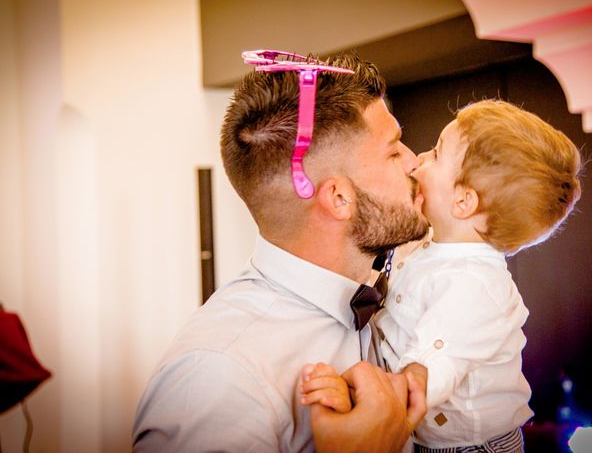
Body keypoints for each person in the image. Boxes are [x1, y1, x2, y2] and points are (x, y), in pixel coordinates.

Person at [131, 51, 430, 452]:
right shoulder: (218, 378)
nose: (416, 162)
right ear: (339, 198)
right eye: (394, 150)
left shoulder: (399, 289)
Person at [300, 99, 583, 452]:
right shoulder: (431, 243)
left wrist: (355, 395)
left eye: (436, 154)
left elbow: (425, 371)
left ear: (464, 202)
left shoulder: (474, 285)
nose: (418, 158)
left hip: (475, 447)